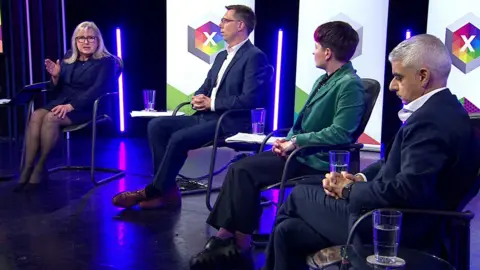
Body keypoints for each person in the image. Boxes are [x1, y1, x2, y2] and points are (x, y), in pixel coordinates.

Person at [262, 34, 480, 270]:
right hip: (394, 215)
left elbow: (408, 190)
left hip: (395, 226)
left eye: (398, 77)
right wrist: (360, 178)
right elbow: (392, 163)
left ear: (423, 76)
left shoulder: (431, 121)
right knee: (287, 231)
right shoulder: (444, 110)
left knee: (297, 196)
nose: (391, 86)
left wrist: (349, 189)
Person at [189, 21, 366, 268]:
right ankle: (233, 237)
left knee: (244, 171)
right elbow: (303, 121)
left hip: (315, 161)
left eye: (316, 46)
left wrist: (297, 142)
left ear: (328, 52)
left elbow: (341, 133)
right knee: (240, 164)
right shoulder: (323, 80)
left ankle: (232, 241)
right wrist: (287, 140)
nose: (313, 51)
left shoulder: (350, 85)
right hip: (299, 152)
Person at [111, 5, 270, 209]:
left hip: (230, 122)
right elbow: (207, 85)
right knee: (157, 126)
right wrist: (199, 96)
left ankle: (154, 191)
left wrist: (212, 103)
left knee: (179, 138)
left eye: (225, 21)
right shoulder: (222, 55)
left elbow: (250, 99)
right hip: (206, 116)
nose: (220, 25)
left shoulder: (255, 56)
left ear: (240, 25)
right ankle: (168, 190)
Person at [15, 21, 116, 192]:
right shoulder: (69, 57)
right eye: (81, 38)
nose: (85, 42)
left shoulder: (107, 62)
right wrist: (55, 77)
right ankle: (27, 167)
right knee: (36, 115)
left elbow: (97, 90)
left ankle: (39, 168)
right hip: (61, 102)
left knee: (51, 118)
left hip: (88, 107)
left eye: (90, 38)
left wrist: (71, 106)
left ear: (98, 41)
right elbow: (56, 90)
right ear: (75, 41)